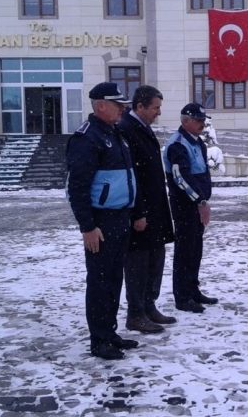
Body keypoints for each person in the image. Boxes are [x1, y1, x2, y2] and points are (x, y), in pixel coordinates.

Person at [65, 82, 138, 360]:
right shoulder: (87, 138)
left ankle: (110, 331)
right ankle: (99, 340)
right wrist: (87, 226)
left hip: (120, 216)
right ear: (100, 106)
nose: (122, 109)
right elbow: (77, 188)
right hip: (100, 221)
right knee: (100, 280)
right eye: (117, 105)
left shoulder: (114, 133)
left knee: (114, 277)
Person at [119, 85, 176, 334]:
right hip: (140, 211)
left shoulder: (143, 128)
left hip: (155, 208)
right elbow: (132, 176)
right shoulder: (126, 130)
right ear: (139, 106)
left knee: (156, 258)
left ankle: (149, 305)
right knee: (138, 263)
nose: (158, 113)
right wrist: (138, 212)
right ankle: (136, 313)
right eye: (155, 108)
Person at [163, 103, 218, 314]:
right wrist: (200, 202)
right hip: (184, 205)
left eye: (203, 120)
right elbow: (180, 178)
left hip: (196, 204)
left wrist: (202, 200)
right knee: (185, 251)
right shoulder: (178, 145)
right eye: (198, 120)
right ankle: (182, 296)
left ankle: (193, 290)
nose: (202, 124)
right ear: (185, 121)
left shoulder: (197, 143)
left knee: (195, 250)